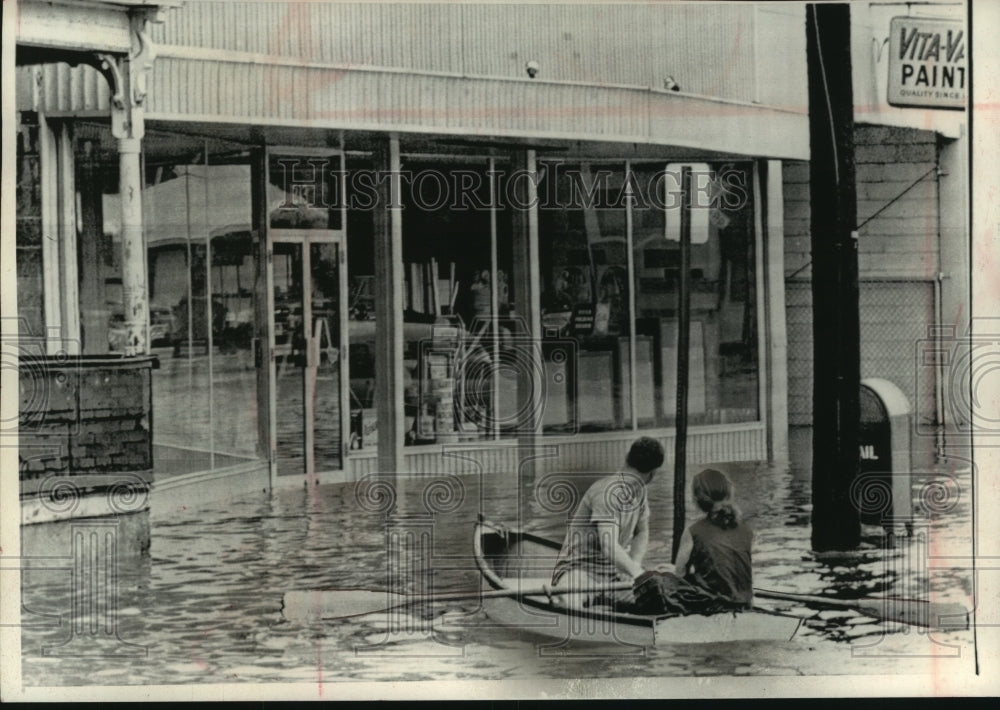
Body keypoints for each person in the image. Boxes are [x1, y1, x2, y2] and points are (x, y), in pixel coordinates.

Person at [550, 436, 665, 609]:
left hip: (614, 572)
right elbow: (608, 545)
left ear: (627, 458)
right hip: (581, 570)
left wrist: (633, 566)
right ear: (653, 473)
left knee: (659, 602)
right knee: (568, 604)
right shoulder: (606, 493)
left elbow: (641, 532)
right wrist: (637, 574)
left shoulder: (640, 491)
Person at [631, 468, 753, 615]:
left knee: (653, 581)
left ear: (697, 500)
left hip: (713, 604)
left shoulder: (693, 531)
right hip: (744, 601)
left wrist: (670, 572)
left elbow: (680, 574)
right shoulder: (746, 529)